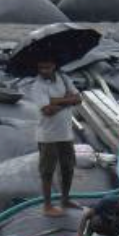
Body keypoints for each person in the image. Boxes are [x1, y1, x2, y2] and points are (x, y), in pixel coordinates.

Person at [27, 58, 83, 217]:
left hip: (65, 133)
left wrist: (56, 101)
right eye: (41, 67)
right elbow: (47, 111)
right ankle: (47, 205)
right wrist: (67, 100)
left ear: (54, 66)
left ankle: (65, 199)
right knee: (47, 171)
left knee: (68, 167)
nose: (44, 70)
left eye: (47, 67)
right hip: (47, 135)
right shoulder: (37, 86)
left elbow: (78, 99)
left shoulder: (64, 79)